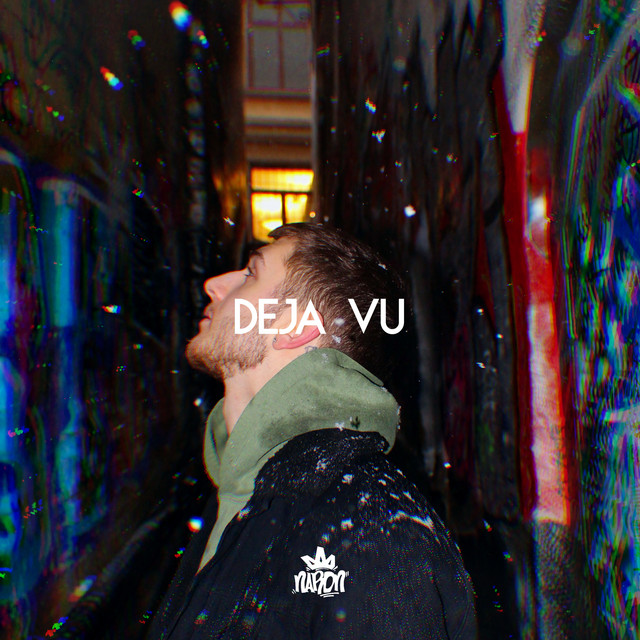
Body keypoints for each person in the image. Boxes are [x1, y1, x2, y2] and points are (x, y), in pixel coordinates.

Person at [148, 223, 477, 639]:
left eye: (250, 273)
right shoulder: (245, 491)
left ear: (296, 326)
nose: (214, 285)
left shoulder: (371, 530)